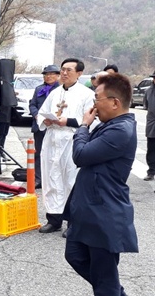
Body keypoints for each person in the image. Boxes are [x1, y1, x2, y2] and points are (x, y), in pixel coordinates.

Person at [63, 73, 138, 295]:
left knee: (105, 279)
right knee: (74, 255)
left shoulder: (120, 130)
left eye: (97, 99)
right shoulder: (111, 124)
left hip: (104, 212)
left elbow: (81, 155)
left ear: (115, 103)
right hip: (91, 209)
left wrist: (84, 126)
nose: (94, 105)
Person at [36, 58, 94, 235]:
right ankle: (53, 219)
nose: (64, 73)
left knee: (71, 180)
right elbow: (41, 112)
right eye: (62, 70)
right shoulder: (54, 93)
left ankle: (73, 223)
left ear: (79, 73)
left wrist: (66, 121)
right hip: (52, 139)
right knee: (51, 178)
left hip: (71, 140)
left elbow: (92, 120)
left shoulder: (86, 94)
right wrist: (45, 120)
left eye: (69, 70)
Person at [28, 65, 60, 189]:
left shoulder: (60, 90)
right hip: (39, 125)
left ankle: (52, 179)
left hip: (54, 125)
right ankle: (38, 179)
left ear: (57, 76)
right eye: (46, 74)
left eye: (52, 74)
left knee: (53, 154)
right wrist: (37, 116)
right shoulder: (39, 89)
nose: (49, 76)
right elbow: (32, 105)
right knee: (38, 153)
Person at [143, 72, 155, 183]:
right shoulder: (149, 91)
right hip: (152, 124)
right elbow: (146, 105)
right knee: (151, 149)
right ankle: (151, 171)